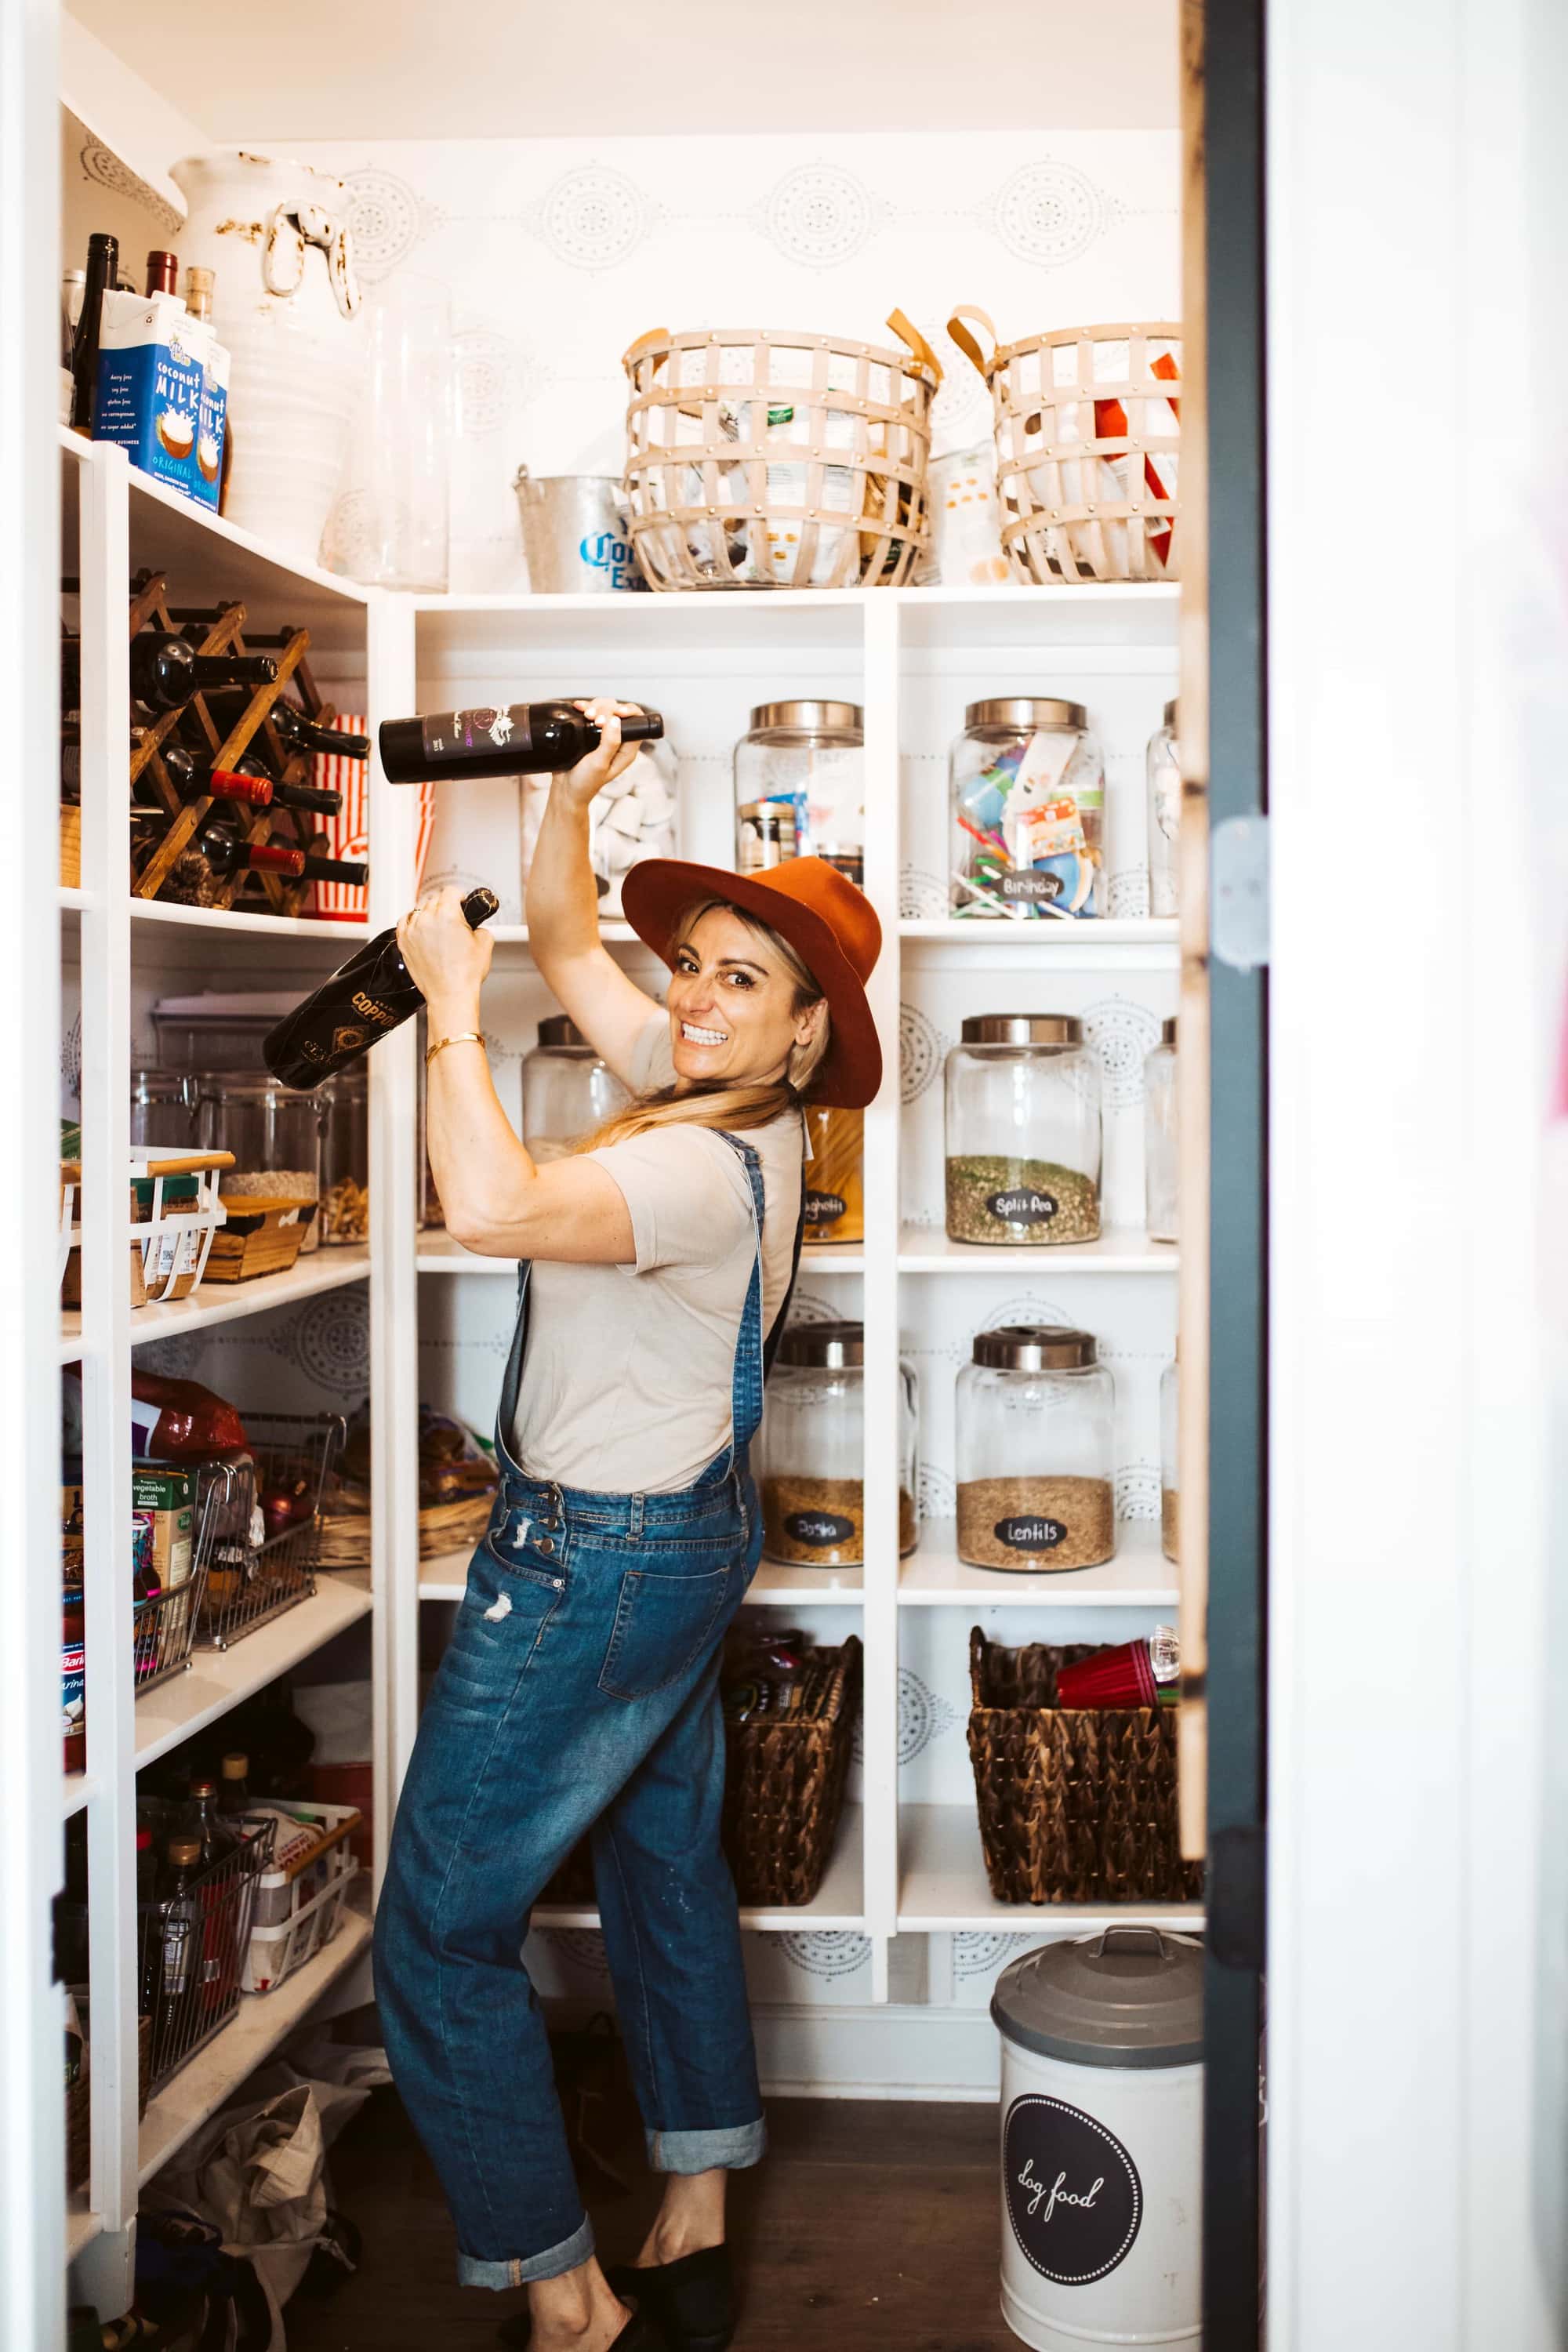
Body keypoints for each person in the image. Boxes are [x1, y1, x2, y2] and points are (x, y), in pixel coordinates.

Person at [373, 700, 882, 2352]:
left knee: (441, 1938)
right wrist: (569, 795)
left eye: (744, 979)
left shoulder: (690, 1172)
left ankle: (566, 2291)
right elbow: (576, 936)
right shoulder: (723, 1103)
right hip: (689, 1535)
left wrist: (453, 1013)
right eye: (700, 966)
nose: (695, 995)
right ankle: (700, 2189)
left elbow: (495, 1203)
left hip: (593, 1559)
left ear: (807, 1033)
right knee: (663, 1862)